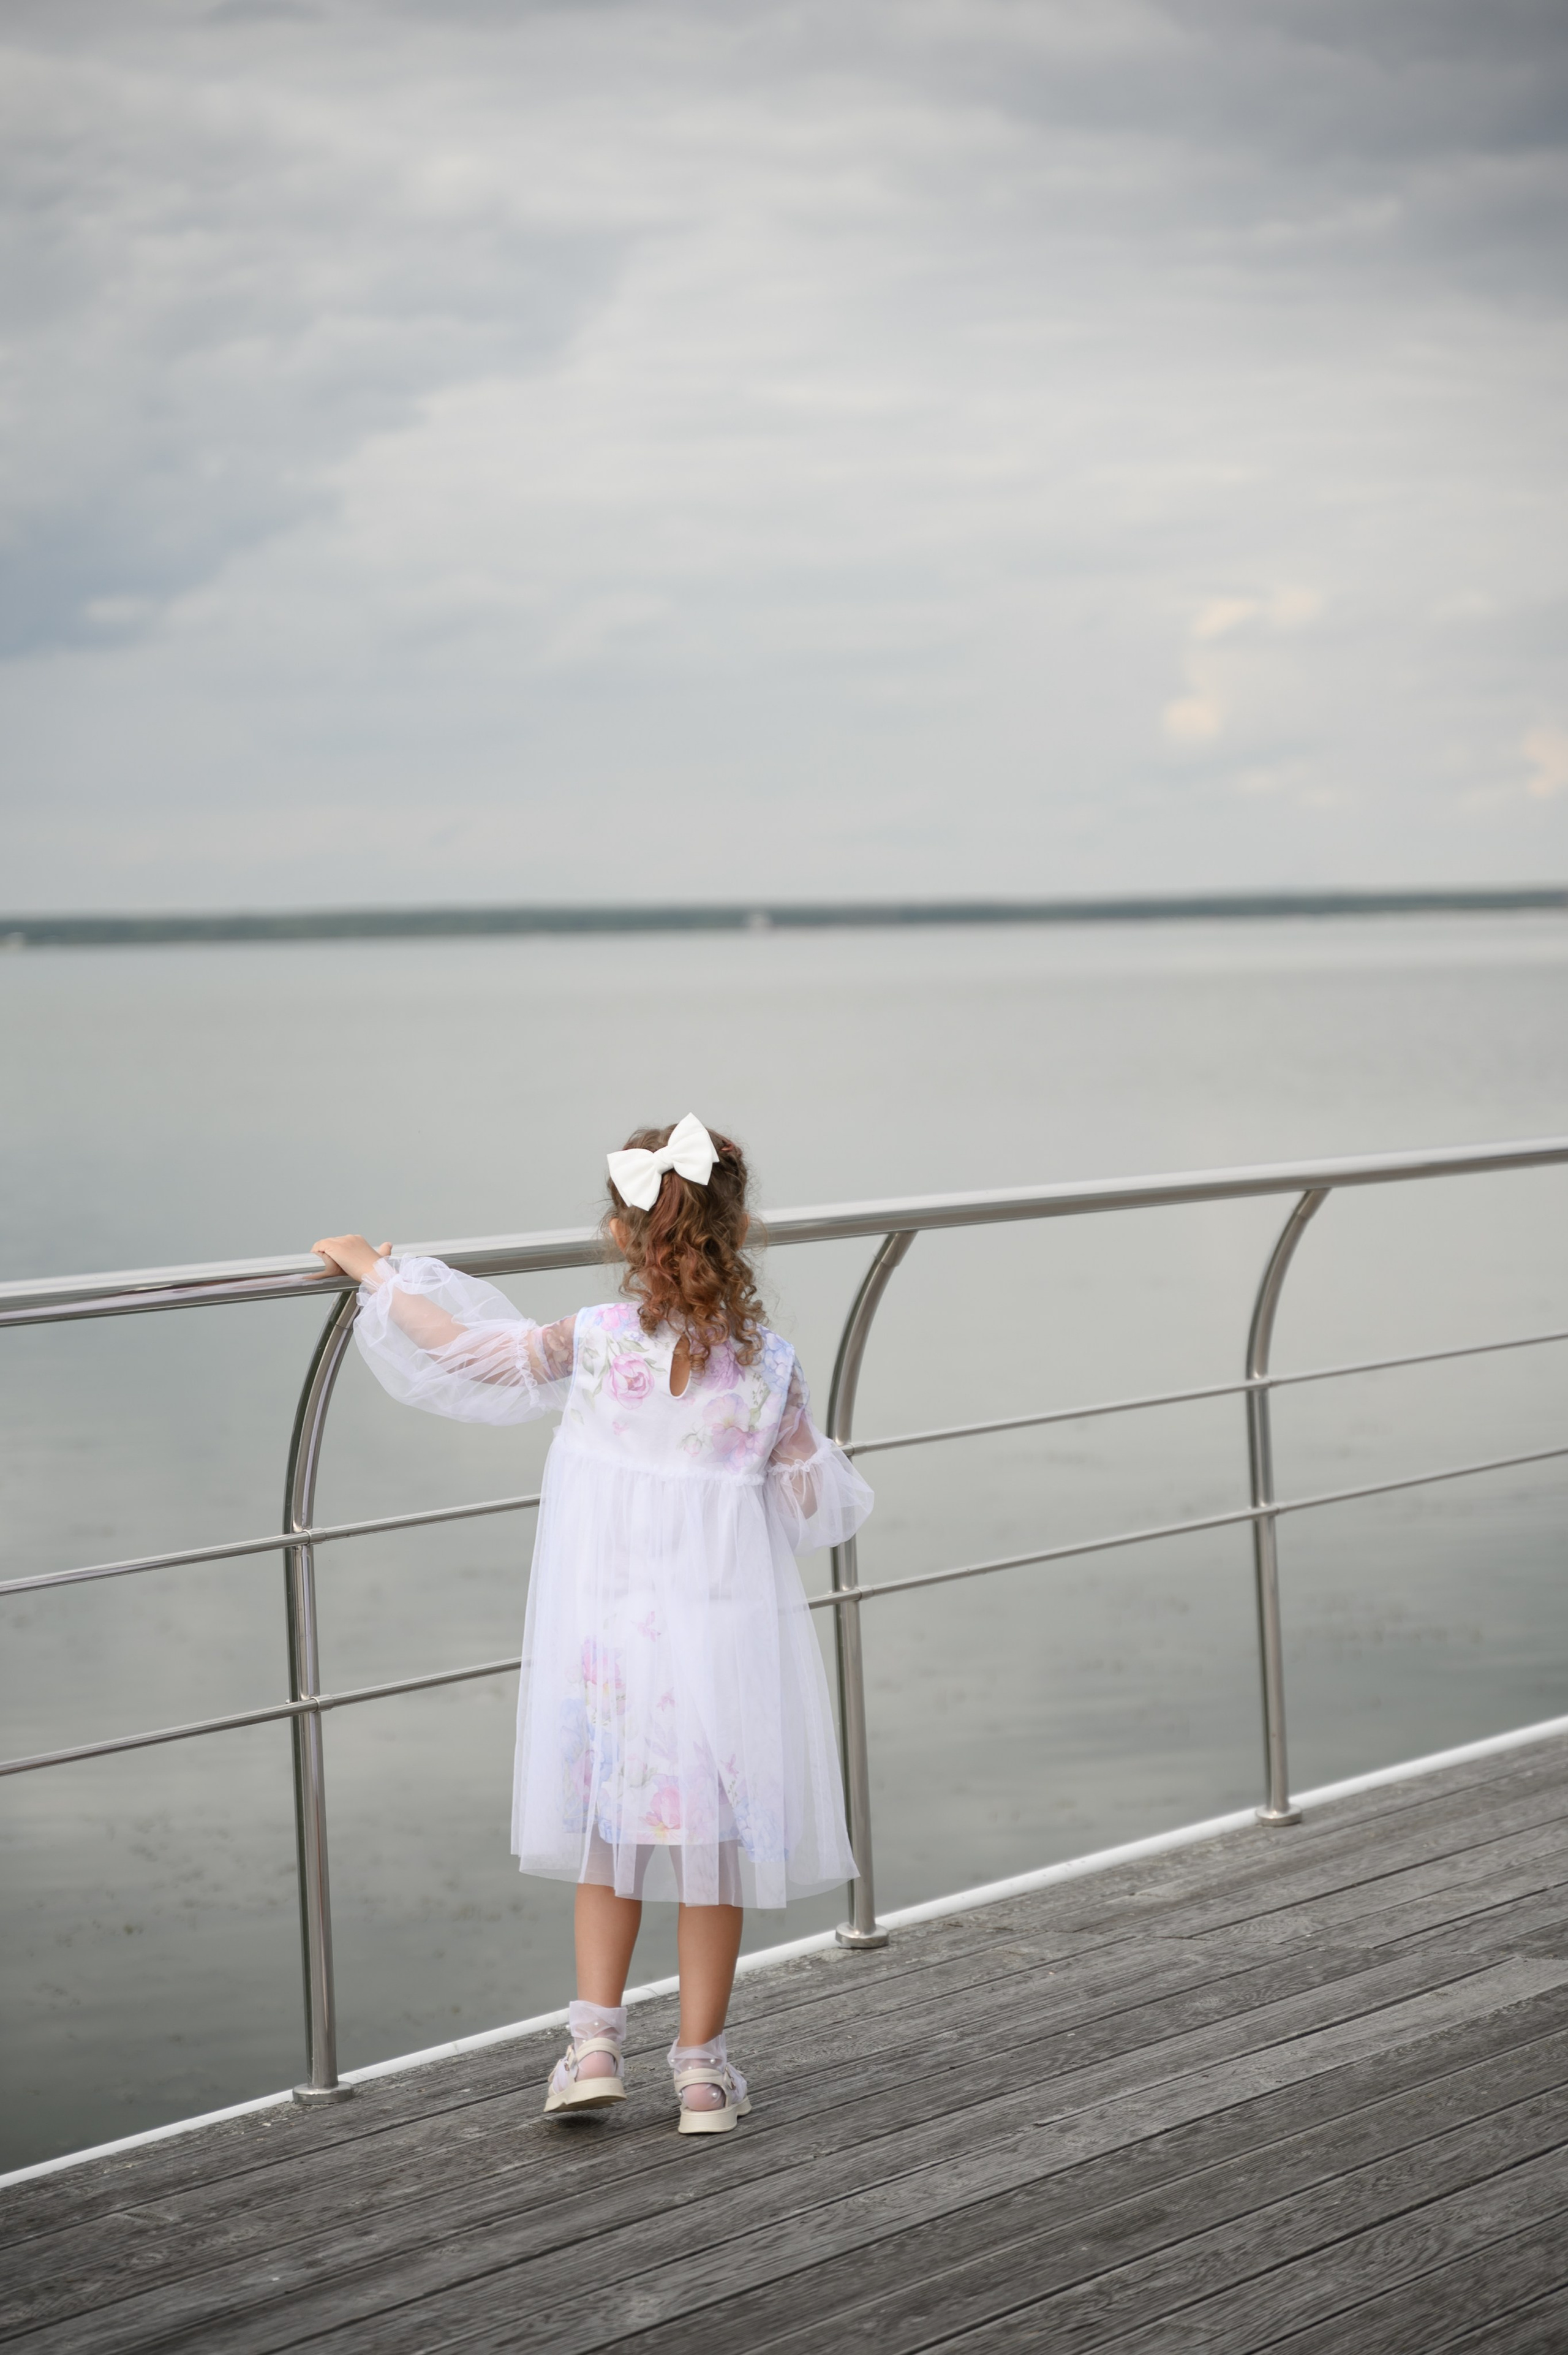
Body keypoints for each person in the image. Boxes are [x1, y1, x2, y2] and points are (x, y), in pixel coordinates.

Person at [311, 1115, 871, 2135]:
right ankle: (701, 2075)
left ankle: (593, 2048)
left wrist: (376, 1275)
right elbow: (809, 1511)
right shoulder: (771, 1362)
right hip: (721, 1642)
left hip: (610, 1643)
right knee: (716, 1856)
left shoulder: (594, 1341)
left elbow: (467, 1352)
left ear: (623, 1235)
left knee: (611, 1846)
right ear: (737, 1230)